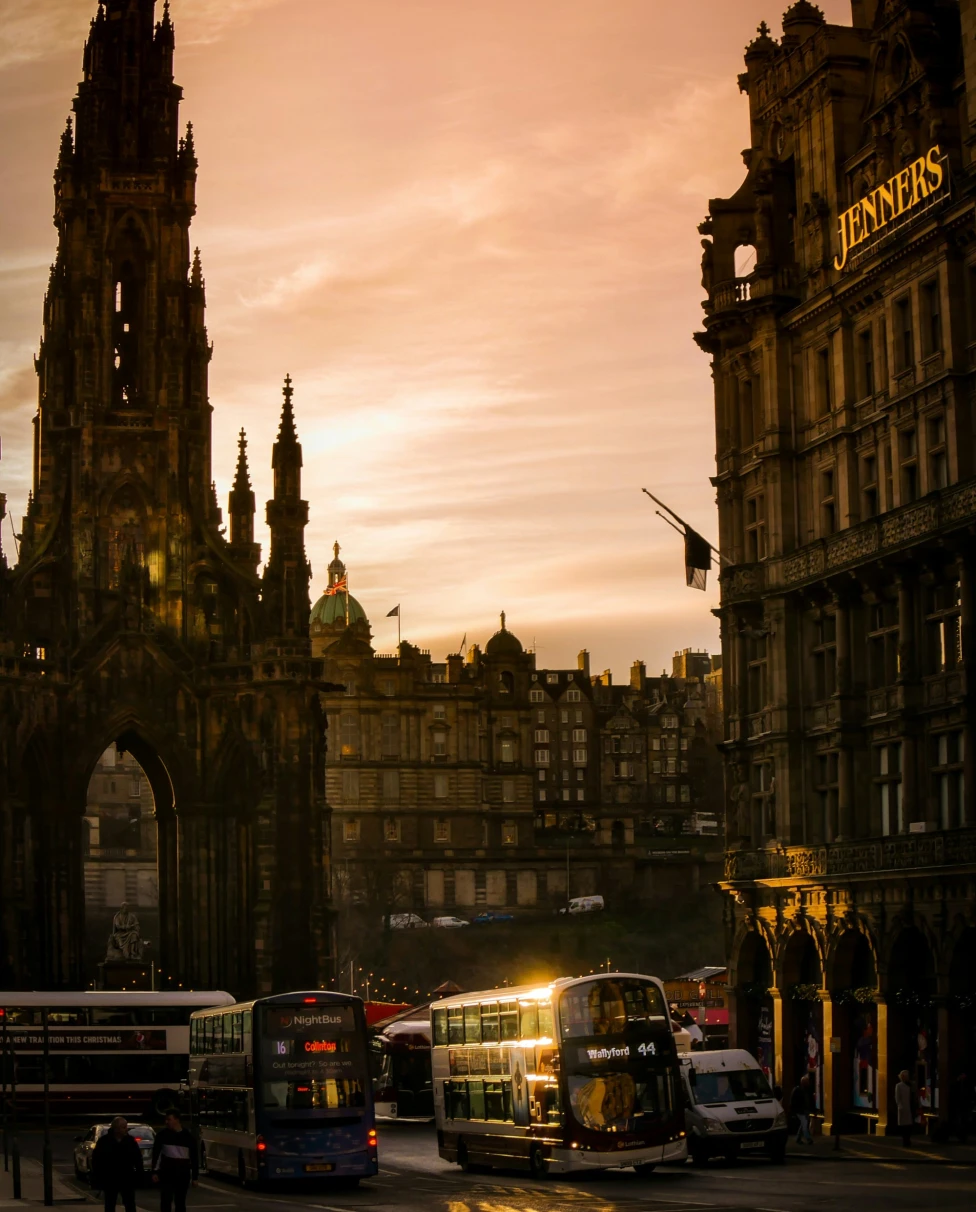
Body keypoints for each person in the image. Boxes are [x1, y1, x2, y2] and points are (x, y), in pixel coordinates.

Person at [91, 1117, 143, 1212]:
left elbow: (138, 1158)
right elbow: (96, 1160)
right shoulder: (104, 1141)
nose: (126, 1129)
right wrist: (98, 1177)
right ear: (116, 1129)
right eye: (124, 1127)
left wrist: (139, 1174)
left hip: (127, 1177)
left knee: (130, 1203)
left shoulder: (130, 1141)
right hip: (110, 1178)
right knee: (110, 1204)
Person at [151, 1110, 198, 1212]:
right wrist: (155, 1171)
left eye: (169, 1119)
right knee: (165, 1201)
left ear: (177, 1120)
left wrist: (195, 1177)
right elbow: (156, 1155)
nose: (166, 1122)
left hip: (182, 1174)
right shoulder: (162, 1135)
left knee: (180, 1202)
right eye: (166, 1119)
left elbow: (194, 1158)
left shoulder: (188, 1137)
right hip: (167, 1173)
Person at [947, 1071, 972, 1143]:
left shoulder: (963, 1084)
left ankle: (962, 1136)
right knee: (961, 1120)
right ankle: (961, 1136)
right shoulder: (959, 1084)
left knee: (963, 1120)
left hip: (962, 1104)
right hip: (960, 1104)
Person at [790, 1073, 814, 1144]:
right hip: (800, 1111)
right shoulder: (797, 1090)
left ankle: (798, 1138)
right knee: (804, 1124)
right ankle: (808, 1138)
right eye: (807, 1082)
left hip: (805, 1110)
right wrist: (793, 1110)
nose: (808, 1083)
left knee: (803, 1124)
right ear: (803, 1083)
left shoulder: (807, 1090)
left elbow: (810, 1100)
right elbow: (793, 1101)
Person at [895, 1069, 915, 1147]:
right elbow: (897, 1098)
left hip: (910, 1106)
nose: (907, 1078)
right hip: (903, 1108)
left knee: (909, 1125)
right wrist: (900, 1106)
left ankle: (908, 1139)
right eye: (905, 1076)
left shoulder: (910, 1085)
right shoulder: (899, 1086)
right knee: (904, 1126)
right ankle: (905, 1141)